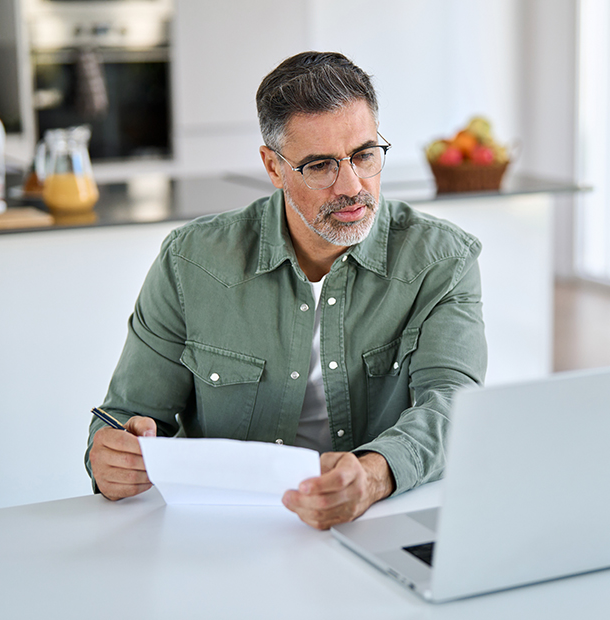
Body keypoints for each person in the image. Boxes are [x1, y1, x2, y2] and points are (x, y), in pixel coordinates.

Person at [85, 51, 487, 529]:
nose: (351, 186)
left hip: (378, 522)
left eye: (364, 155)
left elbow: (453, 406)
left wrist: (373, 475)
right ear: (273, 168)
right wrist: (110, 458)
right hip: (225, 534)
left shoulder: (443, 259)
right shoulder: (189, 262)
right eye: (320, 166)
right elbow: (125, 417)